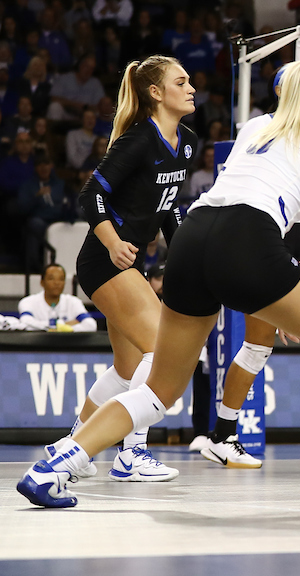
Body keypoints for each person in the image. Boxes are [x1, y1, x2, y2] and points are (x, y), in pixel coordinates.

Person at [16, 58, 300, 509]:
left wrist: (288, 299)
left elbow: (276, 207)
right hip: (247, 239)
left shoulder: (257, 127)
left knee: (158, 390)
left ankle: (53, 467)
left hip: (193, 237)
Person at [53, 56, 198, 484]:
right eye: (181, 81)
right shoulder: (137, 140)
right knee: (161, 349)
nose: (191, 87)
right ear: (156, 92)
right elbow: (89, 196)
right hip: (104, 259)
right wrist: (114, 242)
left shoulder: (186, 142)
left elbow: (168, 208)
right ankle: (131, 453)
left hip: (130, 262)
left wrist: (187, 256)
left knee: (125, 367)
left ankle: (73, 445)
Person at [197, 72, 300, 470]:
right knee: (258, 343)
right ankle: (222, 434)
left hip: (293, 227)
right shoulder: (261, 126)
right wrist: (282, 291)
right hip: (257, 228)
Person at [18, 264, 96, 332]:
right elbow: (26, 323)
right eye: (51, 278)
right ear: (42, 282)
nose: (57, 283)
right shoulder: (28, 302)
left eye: (61, 279)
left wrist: (65, 329)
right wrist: (62, 325)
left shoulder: (73, 302)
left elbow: (91, 325)